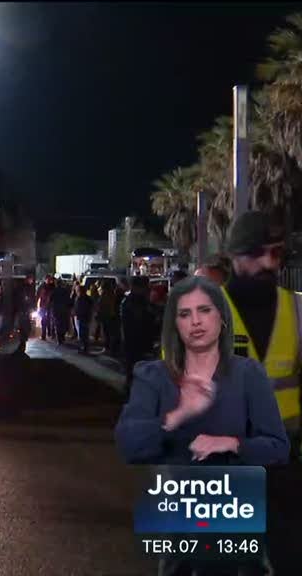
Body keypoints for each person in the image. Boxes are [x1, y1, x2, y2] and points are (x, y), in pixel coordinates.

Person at [114, 275, 287, 576]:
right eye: (185, 314)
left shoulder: (249, 375)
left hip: (238, 527)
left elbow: (277, 448)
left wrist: (232, 444)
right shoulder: (153, 376)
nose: (196, 321)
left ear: (222, 317)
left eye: (204, 310)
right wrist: (177, 415)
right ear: (175, 325)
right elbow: (129, 445)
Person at [222, 211, 302, 446]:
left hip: (287, 459)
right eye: (256, 253)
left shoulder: (298, 308)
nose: (268, 263)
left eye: (276, 253)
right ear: (233, 255)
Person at [121, 275, 155, 395]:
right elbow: (139, 323)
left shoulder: (141, 302)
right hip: (135, 342)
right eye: (145, 286)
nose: (148, 289)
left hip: (140, 342)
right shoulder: (133, 303)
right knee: (136, 369)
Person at [74, 283, 94, 354]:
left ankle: (82, 348)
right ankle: (85, 347)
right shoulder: (88, 298)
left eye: (77, 290)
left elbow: (77, 308)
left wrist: (75, 314)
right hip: (85, 317)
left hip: (80, 318)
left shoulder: (79, 298)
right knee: (85, 333)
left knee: (81, 334)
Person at [50, 281, 72, 345]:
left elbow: (50, 300)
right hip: (63, 310)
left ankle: (59, 339)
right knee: (63, 324)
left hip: (56, 310)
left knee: (57, 325)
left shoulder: (54, 291)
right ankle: (62, 337)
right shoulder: (65, 291)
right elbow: (68, 300)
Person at [36, 276, 56, 340]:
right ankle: (44, 334)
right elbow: (38, 295)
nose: (49, 281)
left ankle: (51, 333)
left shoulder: (52, 286)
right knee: (44, 320)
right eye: (48, 279)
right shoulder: (42, 287)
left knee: (50, 319)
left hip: (50, 305)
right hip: (44, 305)